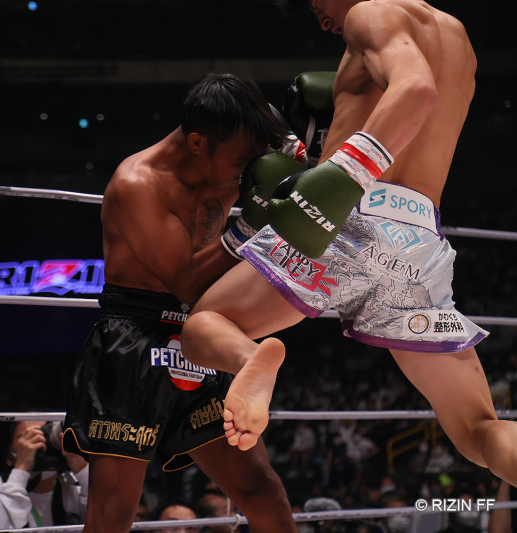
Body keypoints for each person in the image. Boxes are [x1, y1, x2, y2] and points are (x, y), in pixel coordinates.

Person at [180, 0, 517, 488]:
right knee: (478, 431)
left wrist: (338, 177)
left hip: (347, 210)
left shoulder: (371, 13)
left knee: (205, 325)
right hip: (418, 239)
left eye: (317, 2)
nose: (320, 17)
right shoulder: (459, 39)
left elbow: (416, 90)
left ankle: (251, 360)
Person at [62, 72, 298, 533]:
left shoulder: (236, 150)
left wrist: (299, 157)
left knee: (261, 489)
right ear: (196, 143)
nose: (246, 172)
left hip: (200, 334)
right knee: (113, 514)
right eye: (241, 162)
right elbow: (187, 281)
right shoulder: (138, 184)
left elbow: (282, 152)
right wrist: (250, 225)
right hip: (135, 340)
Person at [0, 421, 89, 529]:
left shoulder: (73, 485)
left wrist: (82, 470)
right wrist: (21, 468)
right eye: (26, 437)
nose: (37, 442)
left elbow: (98, 521)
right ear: (9, 457)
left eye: (44, 433)